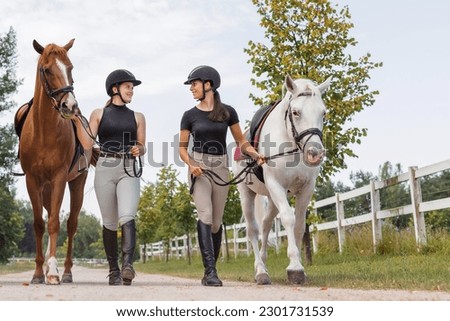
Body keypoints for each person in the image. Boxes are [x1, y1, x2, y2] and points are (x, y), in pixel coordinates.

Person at [179, 65, 264, 287]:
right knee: (205, 215)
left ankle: (210, 271)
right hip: (199, 167)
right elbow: (182, 149)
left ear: (208, 85)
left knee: (216, 224)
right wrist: (191, 164)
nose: (192, 88)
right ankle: (210, 272)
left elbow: (241, 142)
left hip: (221, 167)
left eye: (194, 84)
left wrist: (255, 154)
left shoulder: (228, 112)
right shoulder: (189, 115)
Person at [72, 69, 146, 286]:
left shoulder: (138, 117)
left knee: (127, 215)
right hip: (104, 166)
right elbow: (87, 144)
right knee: (110, 222)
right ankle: (113, 270)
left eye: (132, 87)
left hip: (128, 168)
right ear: (115, 89)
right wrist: (77, 121)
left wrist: (138, 149)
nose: (132, 90)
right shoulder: (98, 114)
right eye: (128, 86)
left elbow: (142, 145)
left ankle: (127, 266)